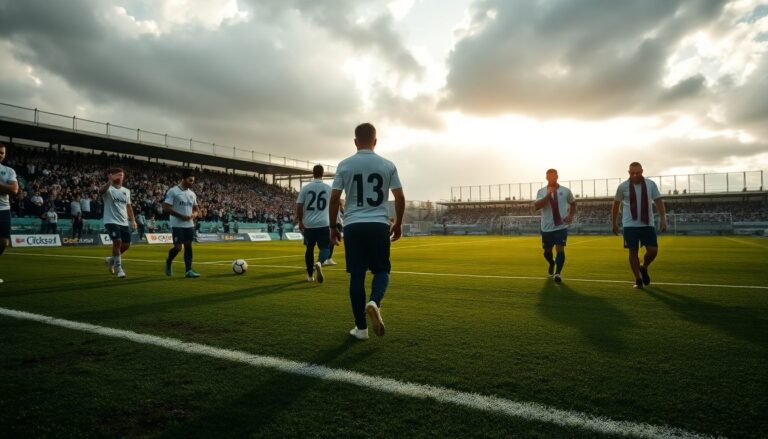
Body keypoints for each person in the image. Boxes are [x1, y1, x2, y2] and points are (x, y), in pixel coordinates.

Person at [329, 123, 405, 340]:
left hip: (353, 225)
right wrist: (398, 223)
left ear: (355, 142)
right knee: (382, 271)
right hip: (379, 224)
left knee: (357, 275)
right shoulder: (387, 165)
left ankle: (361, 329)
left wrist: (333, 227)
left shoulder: (344, 165)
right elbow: (399, 197)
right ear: (375, 141)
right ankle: (374, 301)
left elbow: (334, 198)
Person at [612, 162, 667, 289]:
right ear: (628, 172)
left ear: (642, 171)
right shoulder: (623, 187)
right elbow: (615, 204)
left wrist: (663, 218)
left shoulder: (650, 184)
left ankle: (644, 267)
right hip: (629, 224)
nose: (635, 175)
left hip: (647, 223)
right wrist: (614, 222)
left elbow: (658, 200)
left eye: (637, 172)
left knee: (653, 250)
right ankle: (638, 279)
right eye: (632, 173)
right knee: (633, 251)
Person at [533, 169, 576, 283]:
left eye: (554, 177)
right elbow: (537, 206)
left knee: (560, 249)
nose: (552, 179)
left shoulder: (566, 191)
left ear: (557, 177)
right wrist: (548, 195)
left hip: (561, 226)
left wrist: (571, 215)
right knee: (547, 252)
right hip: (546, 228)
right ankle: (552, 262)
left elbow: (573, 203)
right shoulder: (541, 191)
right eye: (549, 177)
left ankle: (558, 273)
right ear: (546, 178)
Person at [296, 165, 332, 282]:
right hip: (324, 223)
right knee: (325, 248)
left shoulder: (306, 188)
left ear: (313, 173)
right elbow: (334, 205)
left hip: (309, 224)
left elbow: (299, 205)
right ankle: (320, 262)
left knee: (309, 249)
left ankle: (310, 276)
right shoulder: (328, 188)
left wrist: (300, 221)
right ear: (323, 174)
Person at [100, 168, 137, 279]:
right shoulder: (108, 188)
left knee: (126, 244)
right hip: (110, 220)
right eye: (118, 175)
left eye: (122, 175)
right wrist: (109, 181)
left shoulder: (126, 191)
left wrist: (133, 220)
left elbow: (128, 206)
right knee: (117, 241)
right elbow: (100, 191)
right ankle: (119, 268)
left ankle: (111, 260)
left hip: (123, 221)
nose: (120, 177)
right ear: (112, 176)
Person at [163, 170, 200, 278]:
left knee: (188, 247)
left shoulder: (192, 194)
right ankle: (169, 261)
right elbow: (166, 207)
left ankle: (188, 271)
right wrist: (181, 216)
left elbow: (196, 209)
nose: (191, 183)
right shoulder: (173, 191)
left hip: (189, 225)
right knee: (178, 248)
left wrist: (194, 214)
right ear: (183, 179)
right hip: (177, 224)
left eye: (193, 181)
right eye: (190, 180)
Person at [0, 143, 20, 284]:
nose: (0, 154)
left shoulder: (8, 170)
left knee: (4, 243)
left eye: (2, 153)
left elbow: (14, 190)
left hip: (3, 209)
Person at [324, 201, 344, 266]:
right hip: (335, 224)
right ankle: (326, 258)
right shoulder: (335, 205)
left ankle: (328, 258)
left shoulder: (330, 205)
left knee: (330, 242)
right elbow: (342, 210)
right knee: (331, 242)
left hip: (332, 223)